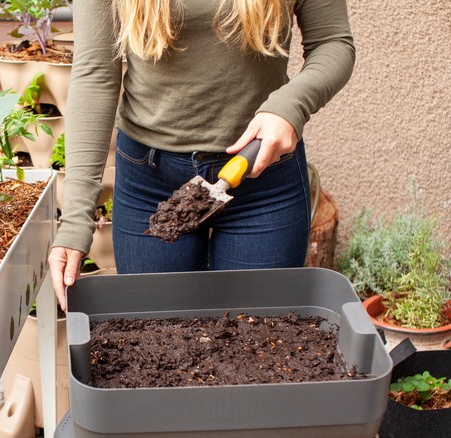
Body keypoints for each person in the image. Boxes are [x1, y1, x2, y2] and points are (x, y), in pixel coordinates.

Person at [49, 0, 355, 310]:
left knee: (256, 345)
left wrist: (291, 106)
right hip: (150, 184)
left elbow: (333, 43)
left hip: (262, 181)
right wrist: (76, 219)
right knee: (159, 345)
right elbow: (95, 74)